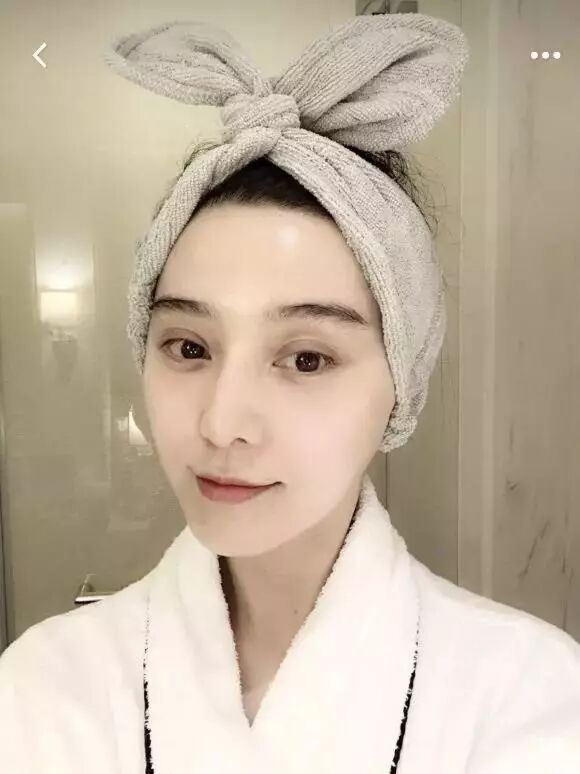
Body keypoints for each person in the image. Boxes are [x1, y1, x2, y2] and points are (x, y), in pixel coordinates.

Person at [1, 14, 580, 774]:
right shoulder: (38, 689)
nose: (222, 423)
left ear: (401, 385)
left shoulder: (534, 699)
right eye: (189, 348)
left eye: (306, 359)